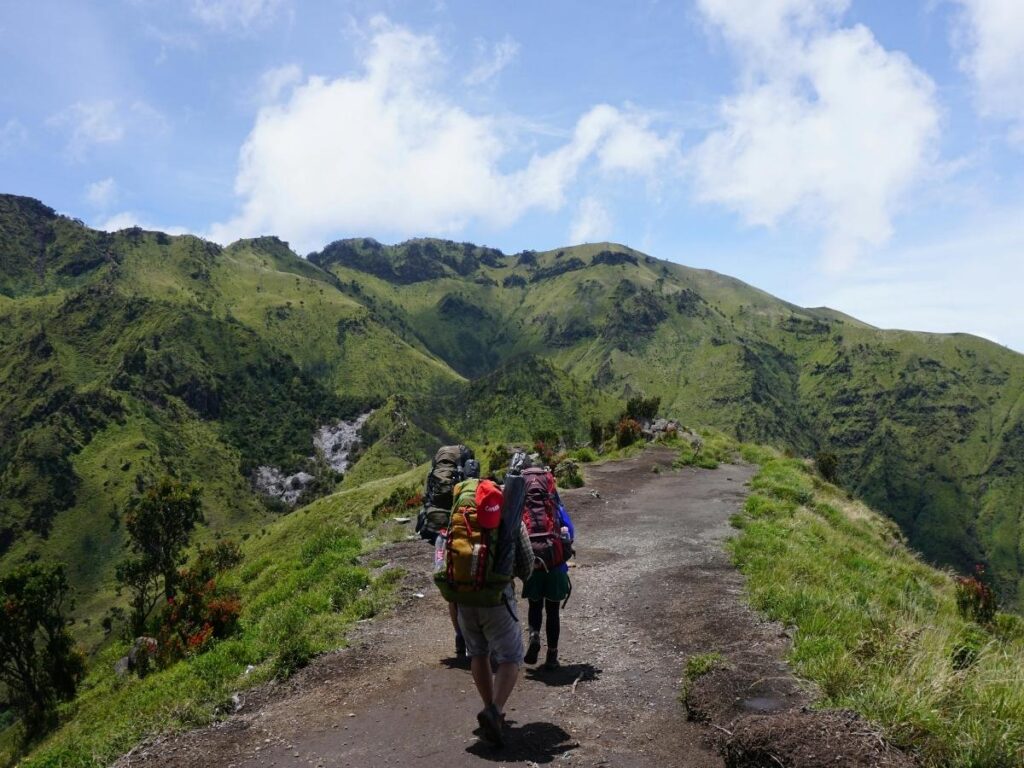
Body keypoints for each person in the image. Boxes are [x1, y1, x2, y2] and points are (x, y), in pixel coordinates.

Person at [435, 470, 535, 747]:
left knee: (477, 652)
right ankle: (495, 709)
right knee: (511, 656)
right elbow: (526, 567)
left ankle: (490, 706)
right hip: (496, 599)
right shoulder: (508, 515)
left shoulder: (460, 517)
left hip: (464, 599)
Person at [520, 465, 575, 669]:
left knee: (535, 605)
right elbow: (570, 531)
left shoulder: (524, 507)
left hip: (532, 562)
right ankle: (552, 656)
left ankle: (534, 635)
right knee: (552, 611)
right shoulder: (554, 505)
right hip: (556, 564)